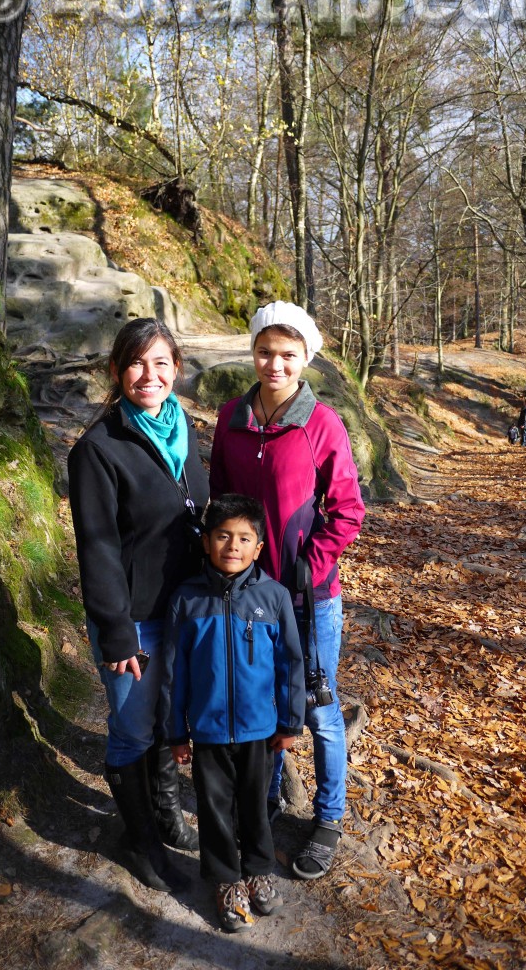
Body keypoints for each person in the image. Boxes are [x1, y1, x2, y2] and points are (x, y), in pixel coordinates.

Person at [209, 300, 366, 882]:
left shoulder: (321, 424)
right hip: (250, 596)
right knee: (263, 702)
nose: (274, 364)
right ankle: (268, 801)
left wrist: (309, 565)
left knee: (319, 711)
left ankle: (328, 819)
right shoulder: (231, 419)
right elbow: (221, 499)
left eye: (287, 355)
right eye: (265, 352)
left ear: (305, 359)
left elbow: (347, 510)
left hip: (309, 597)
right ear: (253, 353)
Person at [68, 317, 208, 892]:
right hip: (134, 623)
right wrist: (117, 632)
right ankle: (140, 841)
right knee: (132, 730)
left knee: (168, 721)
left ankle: (166, 815)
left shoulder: (185, 430)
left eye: (160, 364)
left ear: (176, 369)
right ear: (116, 371)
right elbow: (96, 549)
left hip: (186, 612)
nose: (148, 376)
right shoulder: (98, 450)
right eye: (136, 364)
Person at [163, 494, 305, 932]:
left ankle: (258, 869)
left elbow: (291, 664)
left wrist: (290, 722)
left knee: (256, 805)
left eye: (244, 538)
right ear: (206, 542)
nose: (233, 546)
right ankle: (226, 881)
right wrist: (176, 732)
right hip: (206, 732)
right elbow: (173, 672)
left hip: (259, 731)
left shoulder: (274, 597)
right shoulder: (186, 600)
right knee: (214, 807)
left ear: (259, 547)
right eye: (223, 536)